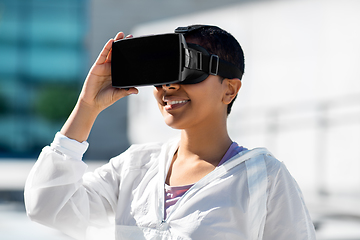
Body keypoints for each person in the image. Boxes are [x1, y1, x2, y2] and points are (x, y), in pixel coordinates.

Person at [24, 25, 316, 240]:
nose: (169, 86)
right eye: (161, 75)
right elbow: (49, 207)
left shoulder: (263, 178)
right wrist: (87, 106)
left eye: (187, 69)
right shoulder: (135, 166)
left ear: (229, 89)